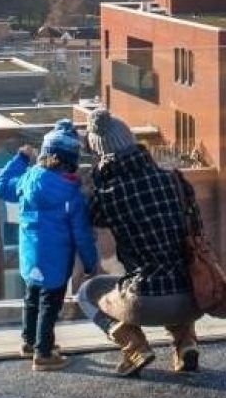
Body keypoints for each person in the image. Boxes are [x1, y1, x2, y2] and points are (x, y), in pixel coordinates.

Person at [77, 107, 204, 377]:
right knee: (178, 272)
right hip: (192, 297)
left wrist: (97, 178)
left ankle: (135, 346)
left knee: (88, 292)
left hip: (145, 300)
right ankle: (186, 344)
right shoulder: (174, 180)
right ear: (132, 142)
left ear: (101, 153)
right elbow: (198, 229)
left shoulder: (108, 193)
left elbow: (93, 219)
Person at [0, 122, 99, 371]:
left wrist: (20, 159)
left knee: (32, 299)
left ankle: (29, 342)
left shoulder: (28, 179)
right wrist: (91, 262)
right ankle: (43, 352)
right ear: (71, 161)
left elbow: (0, 187)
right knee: (50, 305)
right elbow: (81, 233)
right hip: (57, 259)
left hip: (30, 254)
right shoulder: (72, 194)